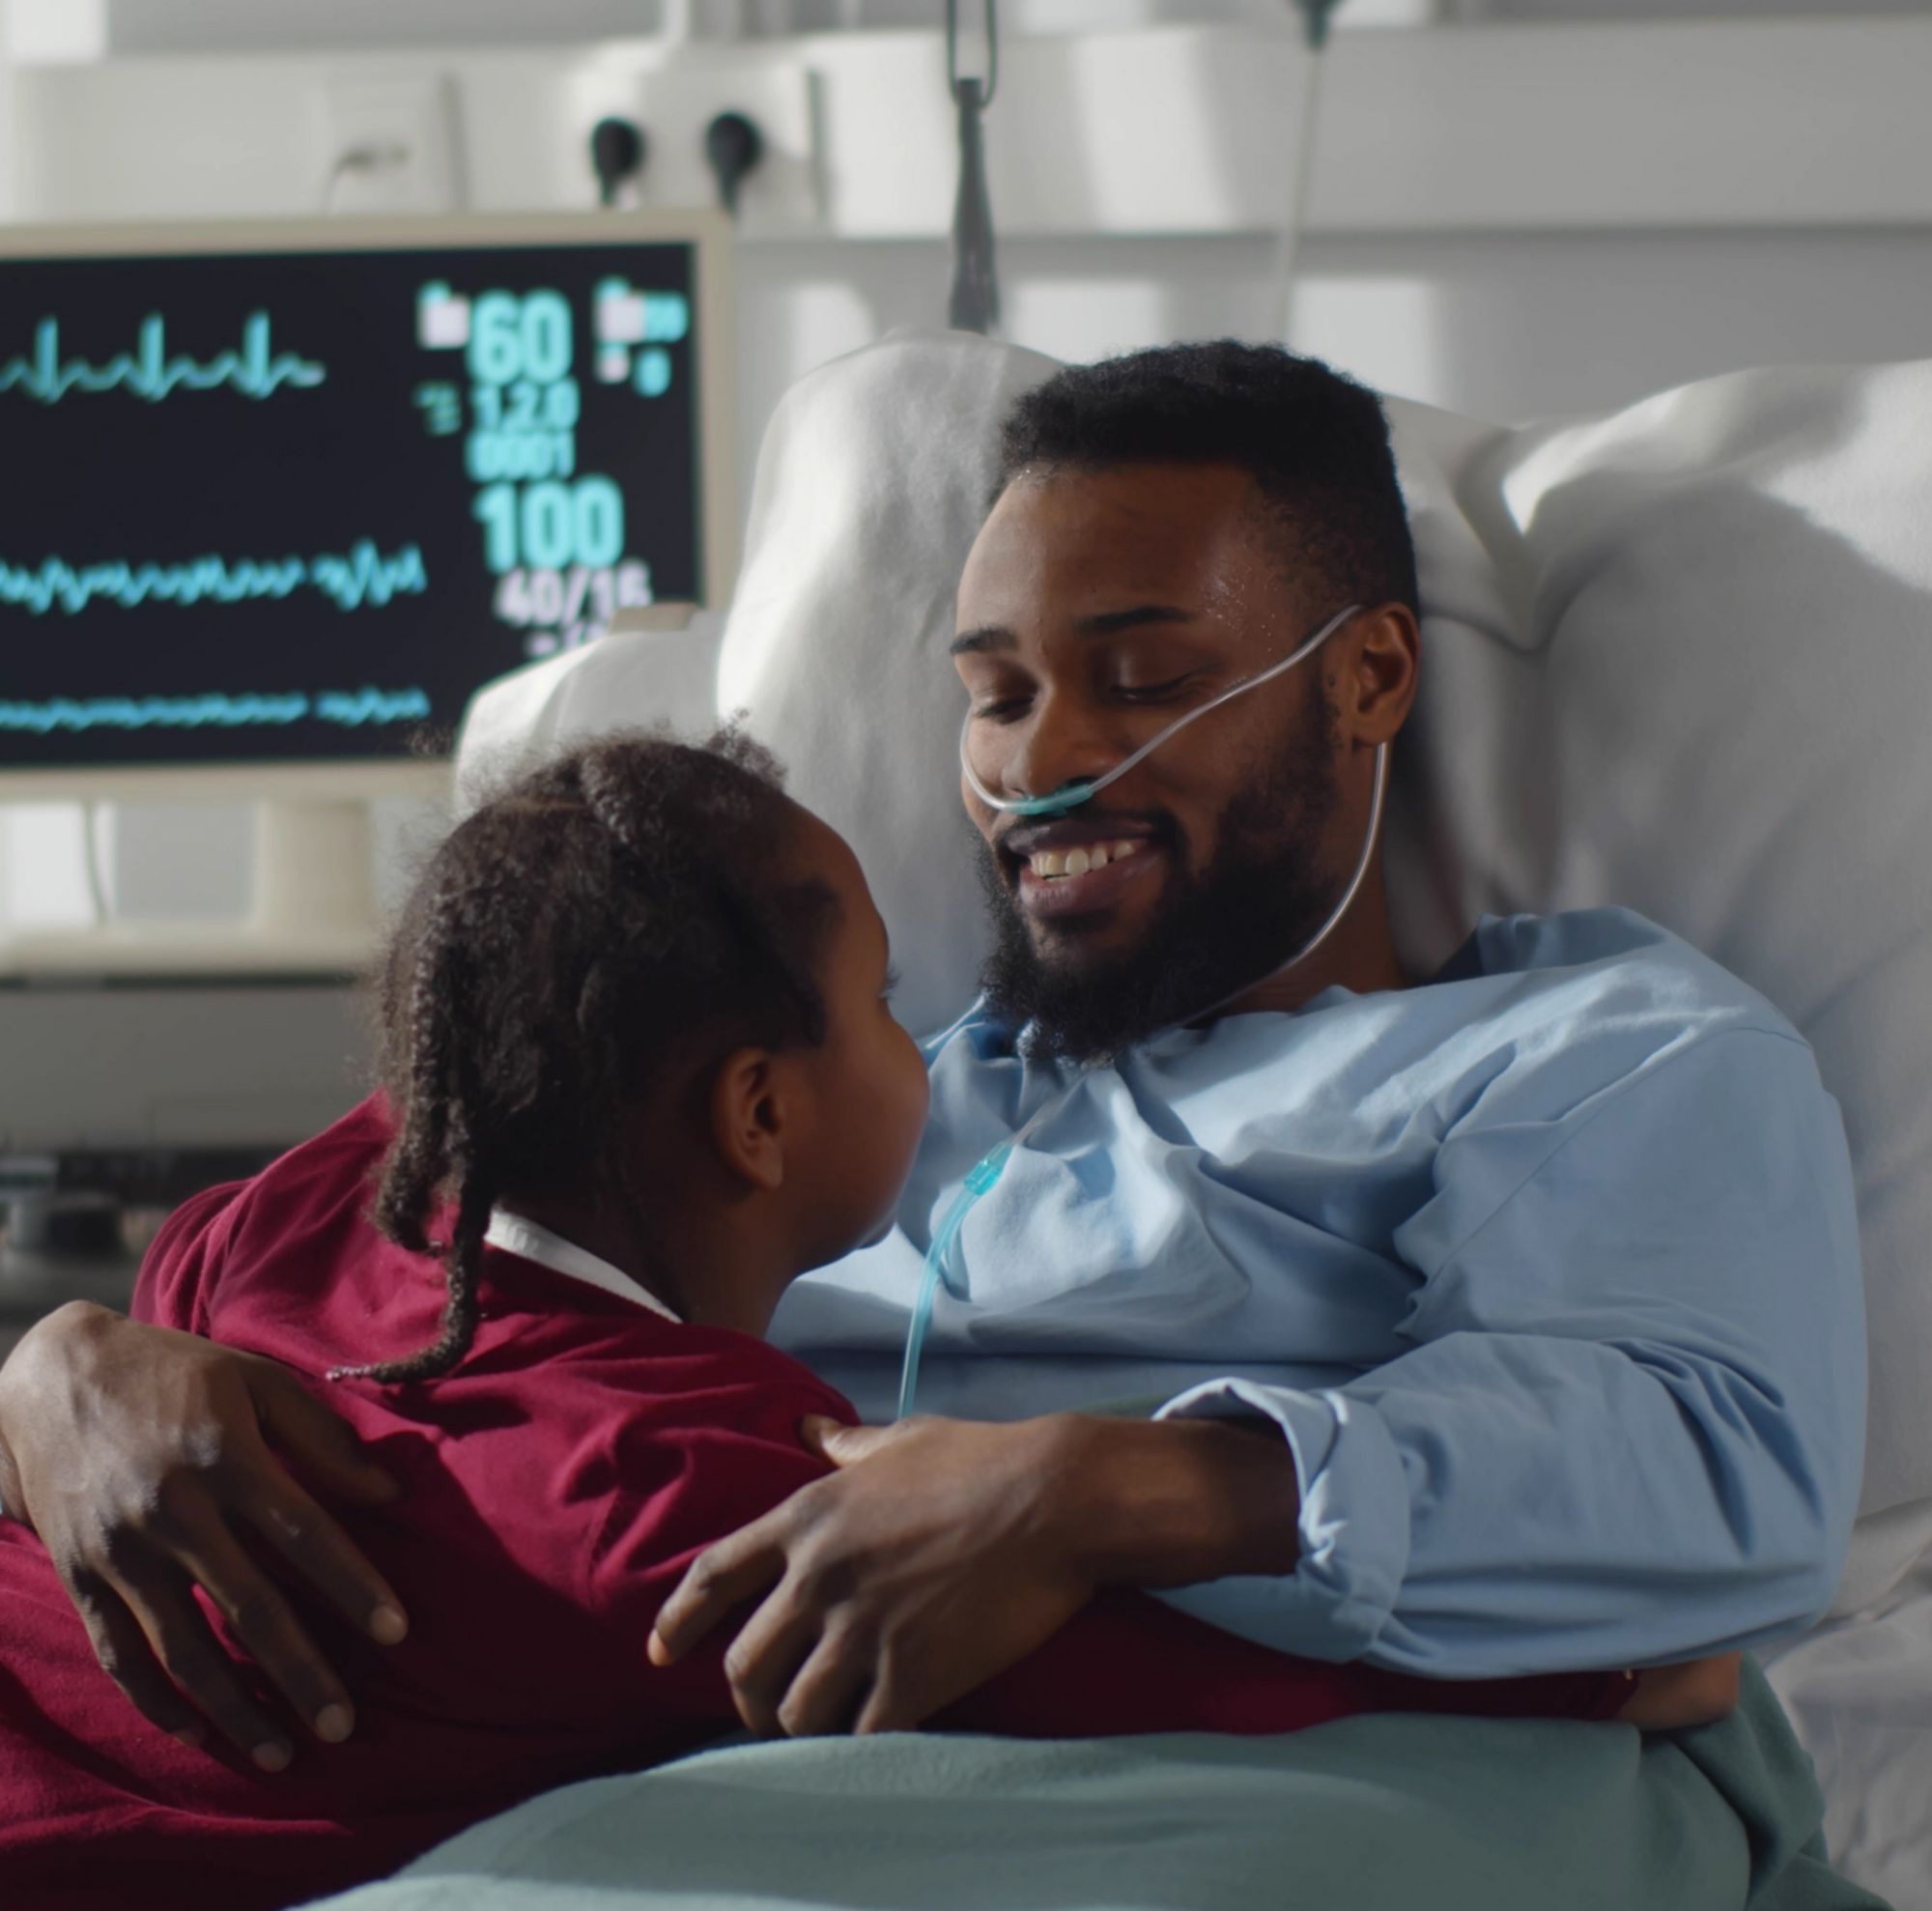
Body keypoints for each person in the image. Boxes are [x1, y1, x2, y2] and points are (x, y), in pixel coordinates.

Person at [0, 344, 1846, 1783]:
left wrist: (1090, 1490)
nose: (1042, 761)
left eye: (1135, 677)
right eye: (995, 688)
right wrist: (65, 1368)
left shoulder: (1584, 1054)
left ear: (1365, 678)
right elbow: (380, 1255)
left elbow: (1707, 1464)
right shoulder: (810, 1061)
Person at [0, 732, 1662, 1911]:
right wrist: (1617, 1674)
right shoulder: (681, 1504)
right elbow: (1199, 1670)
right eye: (881, 1000)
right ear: (755, 1116)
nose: (926, 1038)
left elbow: (199, 1268)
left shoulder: (321, 1212)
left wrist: (62, 1351)